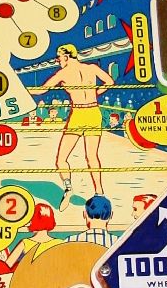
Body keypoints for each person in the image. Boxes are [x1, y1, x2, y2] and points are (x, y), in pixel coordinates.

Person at [39, 44, 114, 198]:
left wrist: (24, 92)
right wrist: (95, 93)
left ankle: (68, 188)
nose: (58, 61)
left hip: (79, 114)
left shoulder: (63, 73)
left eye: (59, 58)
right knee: (92, 156)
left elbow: (42, 89)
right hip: (93, 112)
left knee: (61, 159)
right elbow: (110, 82)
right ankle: (99, 191)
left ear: (66, 57)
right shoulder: (92, 68)